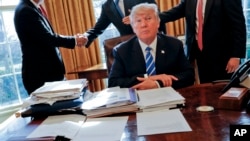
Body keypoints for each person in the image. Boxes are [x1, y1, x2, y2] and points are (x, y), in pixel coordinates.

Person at [108, 3, 195, 90]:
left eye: (148, 19)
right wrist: (148, 78)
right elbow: (113, 83)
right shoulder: (122, 51)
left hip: (170, 97)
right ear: (133, 27)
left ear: (158, 22)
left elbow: (189, 75)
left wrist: (158, 83)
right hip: (138, 99)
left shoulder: (174, 45)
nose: (143, 25)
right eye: (138, 21)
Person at [159, 0, 246, 83]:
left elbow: (238, 25)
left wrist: (236, 55)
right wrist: (153, 18)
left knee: (224, 89)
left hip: (222, 56)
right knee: (206, 86)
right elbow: (175, 12)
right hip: (199, 53)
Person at [14, 0, 88, 94]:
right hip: (41, 76)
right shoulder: (26, 10)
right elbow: (48, 38)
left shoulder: (31, 8)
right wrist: (74, 40)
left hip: (50, 75)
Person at [84, 0, 166, 47]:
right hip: (130, 48)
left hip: (153, 42)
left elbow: (157, 15)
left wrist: (136, 18)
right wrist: (84, 36)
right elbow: (98, 28)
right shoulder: (107, 6)